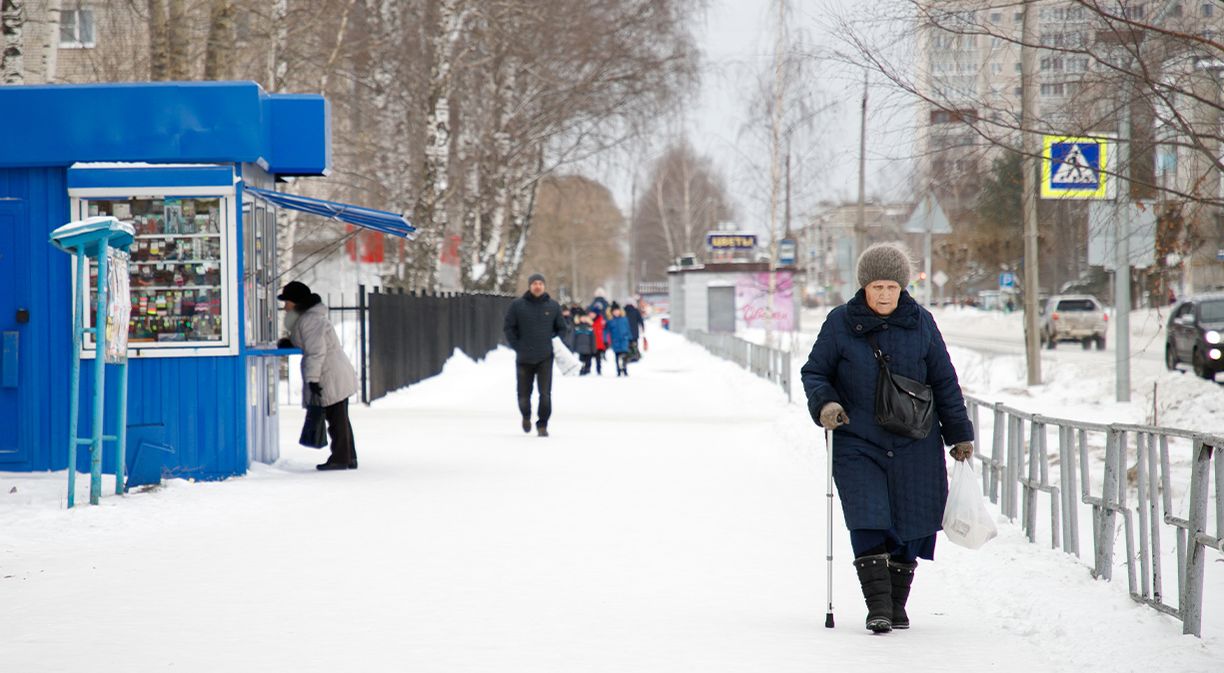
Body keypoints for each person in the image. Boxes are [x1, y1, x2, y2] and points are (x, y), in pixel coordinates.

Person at [800, 242, 974, 634]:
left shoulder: (922, 322)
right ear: (864, 286)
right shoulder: (840, 322)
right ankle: (877, 606)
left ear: (902, 288)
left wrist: (959, 434)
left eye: (891, 287)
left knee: (912, 522)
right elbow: (815, 373)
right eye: (877, 286)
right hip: (857, 439)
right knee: (868, 516)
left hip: (916, 440)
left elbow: (944, 381)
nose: (884, 294)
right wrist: (826, 405)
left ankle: (896, 605)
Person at [277, 281, 360, 471]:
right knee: (339, 417)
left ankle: (340, 458)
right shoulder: (309, 319)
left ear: (296, 302)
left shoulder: (310, 320)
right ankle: (348, 457)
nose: (285, 306)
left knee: (336, 417)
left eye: (287, 301)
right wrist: (290, 343)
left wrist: (312, 380)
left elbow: (316, 352)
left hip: (329, 373)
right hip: (332, 371)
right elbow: (308, 342)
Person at [504, 273, 567, 437]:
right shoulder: (517, 305)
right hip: (524, 357)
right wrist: (517, 346)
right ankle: (526, 416)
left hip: (545, 356)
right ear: (529, 286)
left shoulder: (553, 306)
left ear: (544, 286)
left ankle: (543, 425)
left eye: (540, 283)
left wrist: (555, 342)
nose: (537, 286)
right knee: (523, 395)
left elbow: (562, 328)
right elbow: (509, 328)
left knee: (545, 395)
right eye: (534, 283)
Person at [604, 305, 632, 376]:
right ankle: (618, 370)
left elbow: (628, 329)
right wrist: (605, 339)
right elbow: (606, 331)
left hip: (624, 339)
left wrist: (630, 338)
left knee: (624, 355)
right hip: (615, 340)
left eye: (617, 311)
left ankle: (625, 369)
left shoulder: (624, 319)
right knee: (617, 356)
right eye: (614, 311)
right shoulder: (610, 321)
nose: (616, 313)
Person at [573, 310, 596, 375]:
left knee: (588, 360)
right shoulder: (577, 327)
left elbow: (593, 338)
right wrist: (574, 347)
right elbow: (574, 338)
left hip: (588, 347)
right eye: (582, 317)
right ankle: (582, 370)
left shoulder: (589, 327)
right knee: (581, 360)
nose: (583, 319)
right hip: (580, 347)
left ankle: (587, 370)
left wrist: (593, 348)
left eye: (584, 317)